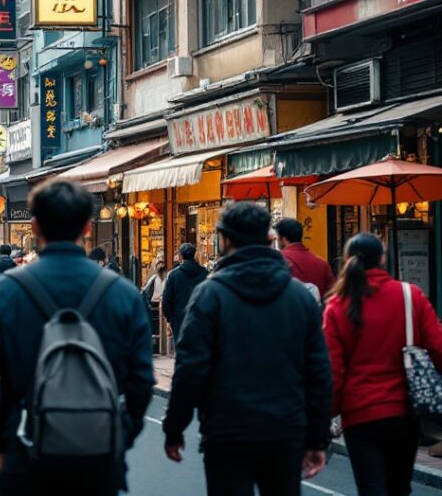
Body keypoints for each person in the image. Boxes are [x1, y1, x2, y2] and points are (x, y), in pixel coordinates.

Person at [0, 180, 154, 495]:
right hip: (99, 453)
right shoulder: (123, 293)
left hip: (26, 449)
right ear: (88, 227)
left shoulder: (4, 292)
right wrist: (120, 436)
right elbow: (141, 380)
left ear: (35, 225)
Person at [163, 201, 332, 495]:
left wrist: (175, 428)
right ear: (269, 239)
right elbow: (318, 372)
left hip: (227, 431)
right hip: (285, 429)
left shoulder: (210, 295)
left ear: (224, 239)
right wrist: (317, 437)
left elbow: (191, 369)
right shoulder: (300, 298)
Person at [323, 233, 442, 496]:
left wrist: (329, 412)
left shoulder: (337, 306)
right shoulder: (409, 296)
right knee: (399, 487)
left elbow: (333, 369)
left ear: (346, 261)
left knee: (371, 488)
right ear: (383, 258)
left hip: (359, 415)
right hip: (404, 412)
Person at [275, 218, 335, 298]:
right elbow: (331, 295)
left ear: (283, 239)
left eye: (277, 238)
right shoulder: (322, 263)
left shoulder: (277, 259)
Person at [161, 243, 209, 341]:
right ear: (194, 254)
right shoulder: (205, 273)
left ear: (181, 256)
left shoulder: (173, 275)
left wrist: (169, 319)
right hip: (200, 318)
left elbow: (166, 299)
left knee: (181, 347)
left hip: (179, 319)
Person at [141, 260, 167, 346]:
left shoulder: (164, 278)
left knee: (159, 327)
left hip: (159, 304)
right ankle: (157, 345)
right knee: (156, 327)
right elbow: (146, 290)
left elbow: (145, 290)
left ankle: (160, 345)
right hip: (154, 305)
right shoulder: (155, 278)